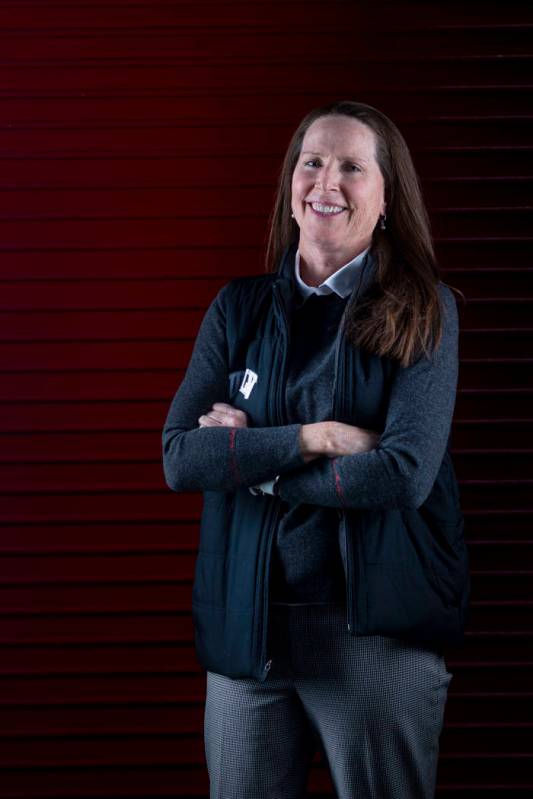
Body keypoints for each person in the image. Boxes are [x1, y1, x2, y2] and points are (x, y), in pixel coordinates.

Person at [162, 99, 470, 799]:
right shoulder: (236, 309)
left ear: (387, 199)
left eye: (351, 167)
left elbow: (400, 474)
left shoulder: (424, 309)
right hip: (250, 632)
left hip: (373, 636)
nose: (325, 181)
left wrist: (257, 468)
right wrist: (312, 439)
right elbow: (182, 457)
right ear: (290, 187)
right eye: (311, 162)